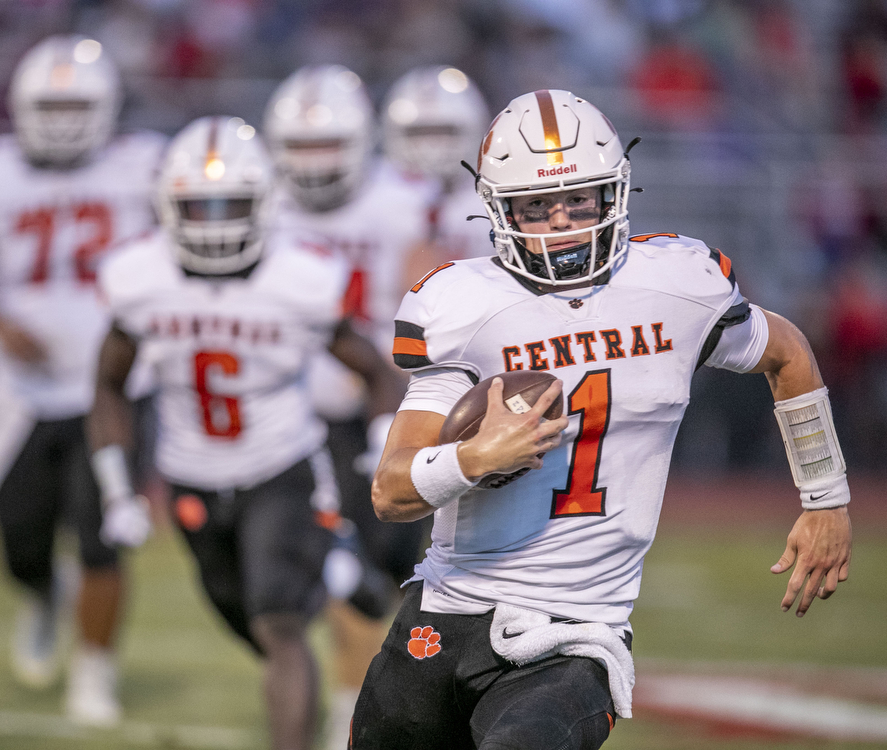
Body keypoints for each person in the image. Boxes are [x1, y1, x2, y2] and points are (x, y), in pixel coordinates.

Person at [351, 89, 853, 750]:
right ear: (499, 211)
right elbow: (390, 491)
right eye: (536, 207)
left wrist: (825, 497)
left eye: (579, 200)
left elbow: (786, 352)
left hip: (574, 635)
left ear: (614, 193)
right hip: (446, 608)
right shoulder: (464, 304)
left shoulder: (677, 284)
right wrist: (475, 458)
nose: (561, 223)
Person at [88, 115, 403, 750]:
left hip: (280, 466)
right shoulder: (139, 278)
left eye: (227, 205)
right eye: (195, 207)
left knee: (278, 622)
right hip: (191, 475)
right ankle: (336, 565)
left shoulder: (300, 278)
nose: (212, 223)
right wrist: (117, 490)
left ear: (264, 204)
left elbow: (375, 369)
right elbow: (108, 386)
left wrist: (382, 440)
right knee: (248, 623)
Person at [0, 35, 165, 726]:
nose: (64, 117)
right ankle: (40, 594)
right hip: (23, 395)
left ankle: (94, 675)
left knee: (102, 537)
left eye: (77, 103)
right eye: (51, 103)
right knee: (19, 540)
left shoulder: (141, 168)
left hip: (114, 388)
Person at [262, 64, 432, 749]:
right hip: (295, 410)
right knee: (339, 564)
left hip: (388, 400)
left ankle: (373, 700)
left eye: (328, 144)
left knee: (394, 559)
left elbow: (433, 288)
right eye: (300, 146)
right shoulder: (260, 202)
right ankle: (345, 706)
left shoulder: (401, 200)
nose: (313, 162)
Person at [380, 65, 495, 287]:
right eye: (419, 133)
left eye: (445, 132)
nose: (432, 146)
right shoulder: (375, 197)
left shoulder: (494, 200)